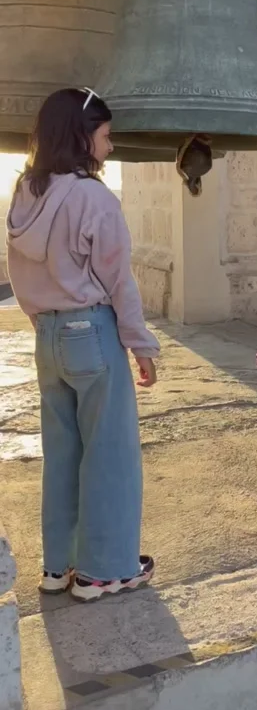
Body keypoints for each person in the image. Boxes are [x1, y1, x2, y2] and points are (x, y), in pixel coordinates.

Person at [7, 88, 160, 601]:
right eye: (106, 135)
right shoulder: (94, 198)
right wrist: (141, 344)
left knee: (63, 454)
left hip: (48, 337)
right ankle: (105, 571)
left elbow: (18, 272)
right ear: (82, 135)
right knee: (110, 454)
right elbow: (119, 282)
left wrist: (44, 325)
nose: (110, 146)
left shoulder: (25, 194)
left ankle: (59, 566)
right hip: (91, 333)